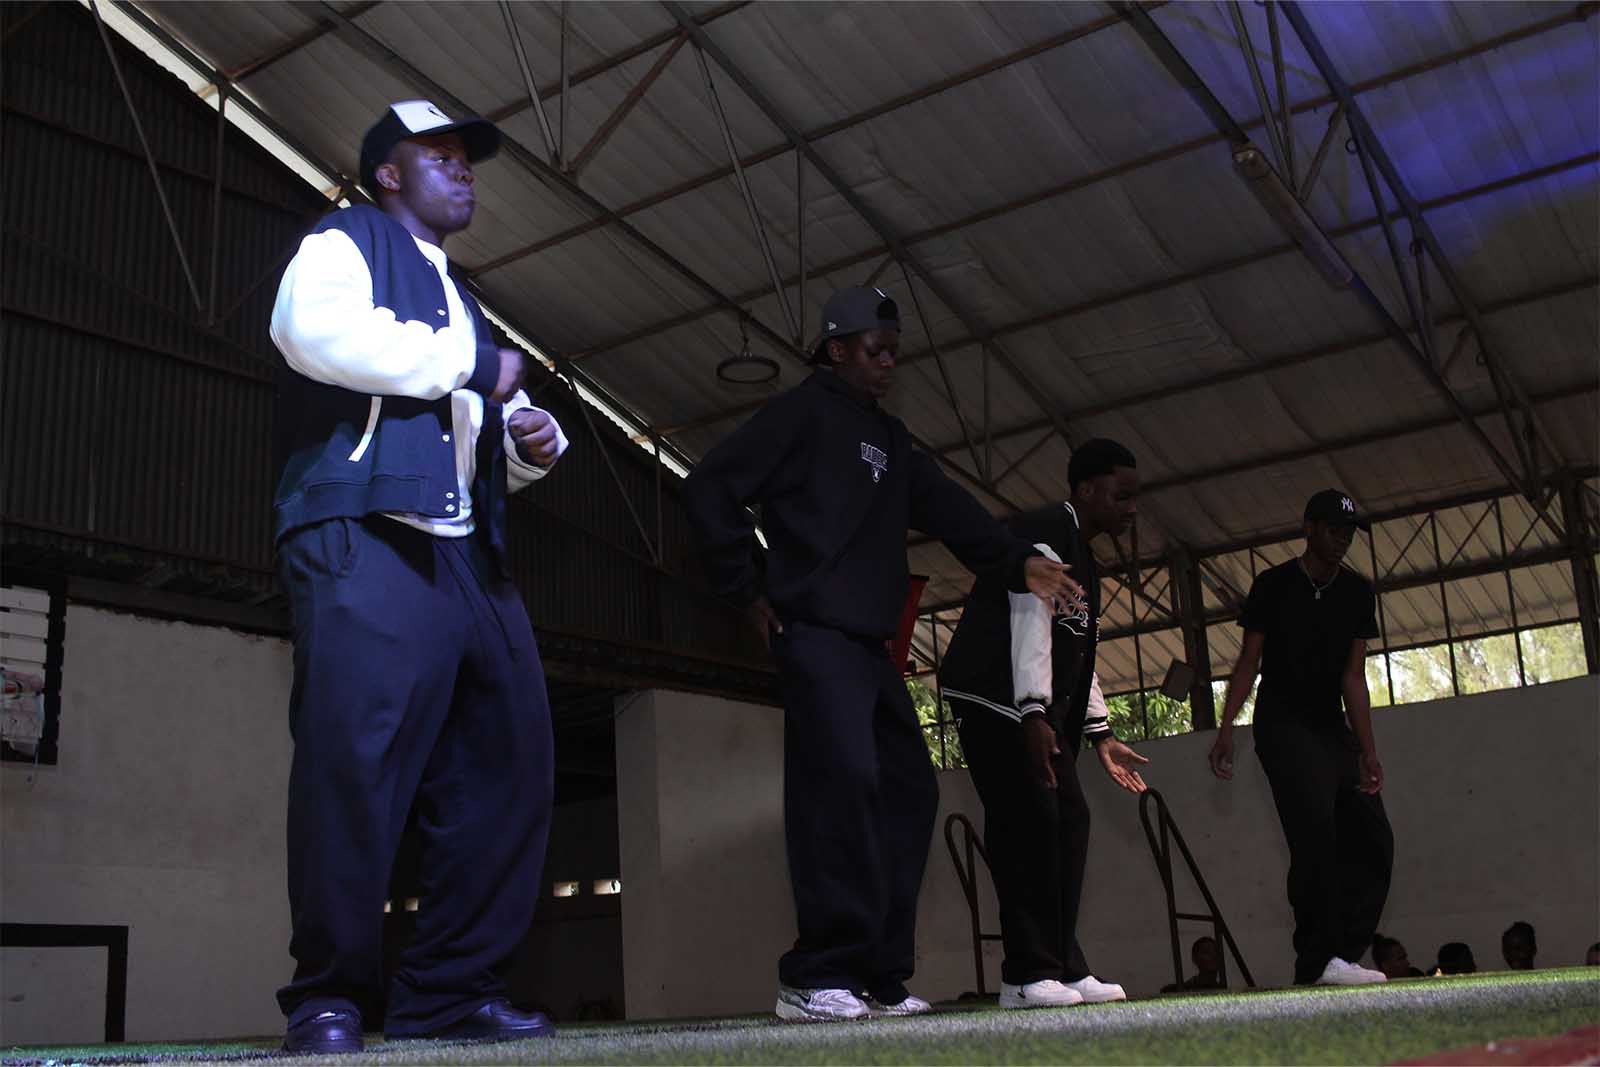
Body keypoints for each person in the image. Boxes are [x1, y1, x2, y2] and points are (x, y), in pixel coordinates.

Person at [683, 286, 1082, 1023]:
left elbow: (953, 510)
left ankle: (875, 973)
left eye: (896, 352)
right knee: (842, 786)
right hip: (814, 634)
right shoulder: (800, 415)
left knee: (909, 790)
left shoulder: (891, 441)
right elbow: (710, 486)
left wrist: (1018, 561)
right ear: (837, 350)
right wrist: (749, 589)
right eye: (876, 350)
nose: (890, 363)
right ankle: (814, 974)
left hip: (869, 647)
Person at [270, 100, 569, 1053]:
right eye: (438, 156)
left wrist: (527, 443)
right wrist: (473, 367)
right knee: (355, 763)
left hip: (465, 550)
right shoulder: (345, 240)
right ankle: (329, 995)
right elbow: (310, 332)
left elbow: (468, 427)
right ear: (388, 173)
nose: (463, 169)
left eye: (467, 159)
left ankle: (450, 990)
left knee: (509, 764)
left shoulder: (463, 299)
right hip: (367, 530)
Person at [938, 438, 1148, 1009]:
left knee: (1069, 818)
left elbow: (1075, 650)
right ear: (1086, 490)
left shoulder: (1086, 559)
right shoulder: (1049, 528)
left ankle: (1060, 964)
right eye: (1122, 495)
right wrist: (1032, 708)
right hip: (994, 698)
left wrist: (1101, 732)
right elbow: (1028, 613)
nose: (1132, 508)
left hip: (1028, 706)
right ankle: (1027, 975)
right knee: (1028, 823)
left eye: (1136, 497)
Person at [1208, 489, 1394, 987]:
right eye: (1334, 529)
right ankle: (1318, 958)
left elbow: (1353, 676)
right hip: (1282, 725)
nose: (1342, 539)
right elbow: (1249, 661)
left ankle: (1342, 955)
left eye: (1349, 532)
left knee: (1374, 840)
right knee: (1315, 834)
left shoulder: (1357, 593)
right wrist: (1226, 729)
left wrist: (1367, 751)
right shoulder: (1273, 585)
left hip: (1331, 728)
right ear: (1309, 528)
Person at [1161, 936, 1228, 993]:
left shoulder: (1223, 992)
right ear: (1195, 958)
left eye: (1216, 952)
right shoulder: (1184, 990)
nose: (1213, 956)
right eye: (1206, 952)